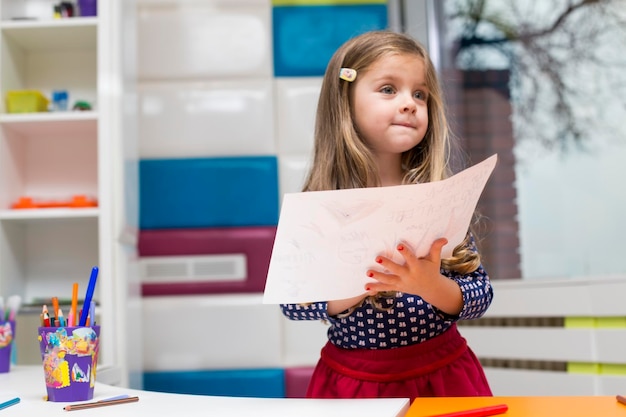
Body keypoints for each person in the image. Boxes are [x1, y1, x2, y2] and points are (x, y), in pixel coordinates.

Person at [279, 30, 494, 400]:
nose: (410, 103)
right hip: (353, 384)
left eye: (420, 94)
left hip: (444, 379)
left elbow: (481, 295)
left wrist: (430, 285)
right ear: (345, 101)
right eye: (389, 89)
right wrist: (352, 288)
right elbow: (291, 304)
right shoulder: (321, 208)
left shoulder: (440, 199)